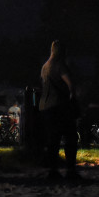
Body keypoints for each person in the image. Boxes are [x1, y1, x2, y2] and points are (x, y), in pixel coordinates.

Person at [39, 40, 80, 181]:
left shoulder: (45, 66)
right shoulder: (60, 65)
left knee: (53, 139)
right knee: (70, 137)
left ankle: (53, 170)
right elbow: (70, 84)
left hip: (45, 106)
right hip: (59, 105)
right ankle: (70, 170)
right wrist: (73, 97)